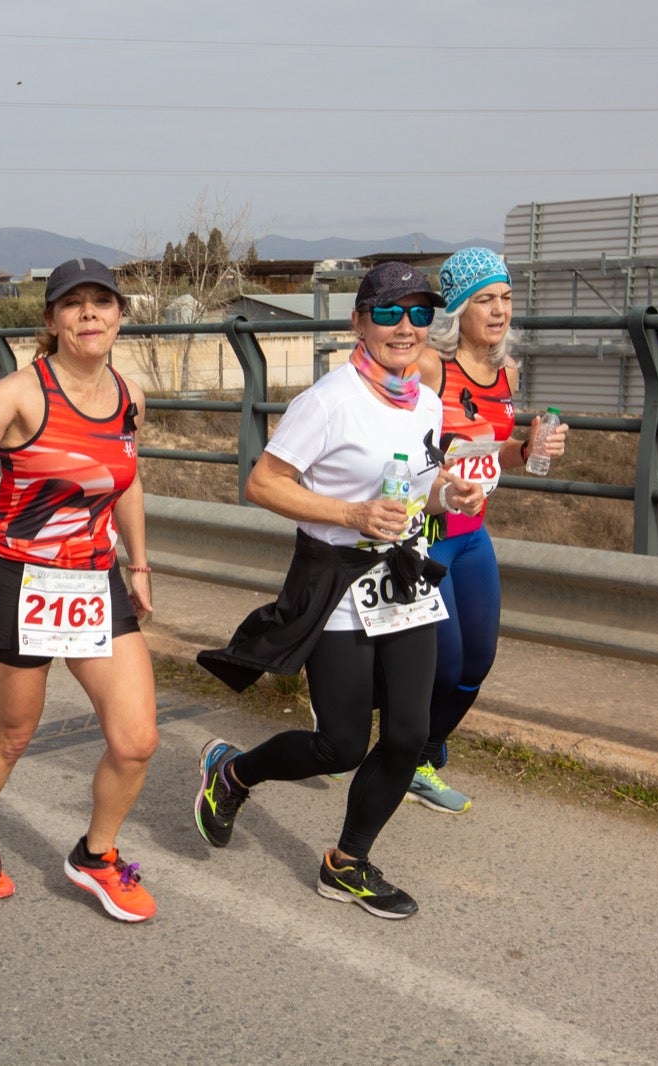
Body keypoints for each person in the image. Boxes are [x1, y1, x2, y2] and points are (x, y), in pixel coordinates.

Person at [194, 262, 483, 920]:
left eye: (418, 313)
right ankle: (233, 774)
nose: (404, 327)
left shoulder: (425, 401)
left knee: (409, 735)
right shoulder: (329, 400)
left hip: (402, 577)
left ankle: (347, 863)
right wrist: (351, 515)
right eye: (388, 312)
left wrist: (449, 493)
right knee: (342, 746)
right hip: (336, 579)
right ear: (359, 321)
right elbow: (263, 485)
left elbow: (418, 485)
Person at [0, 258, 161, 923]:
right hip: (19, 581)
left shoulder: (129, 395)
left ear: (120, 315)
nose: (89, 314)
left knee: (136, 740)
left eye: (102, 302)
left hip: (95, 579)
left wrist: (139, 565)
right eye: (73, 304)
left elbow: (125, 478)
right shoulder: (22, 391)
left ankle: (96, 857)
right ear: (51, 321)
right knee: (14, 734)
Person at [405, 247, 568, 814]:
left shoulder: (508, 372)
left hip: (473, 531)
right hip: (427, 530)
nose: (498, 311)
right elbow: (400, 442)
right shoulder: (430, 366)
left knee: (477, 664)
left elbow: (495, 451)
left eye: (505, 298)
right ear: (455, 310)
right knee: (444, 665)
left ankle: (419, 757)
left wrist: (527, 448)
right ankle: (397, 747)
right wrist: (437, 474)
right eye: (483, 301)